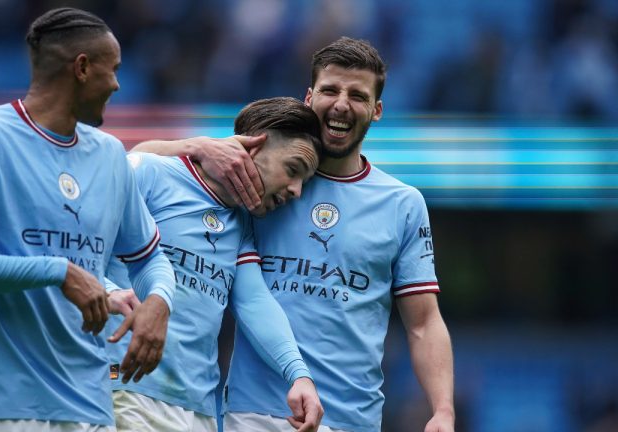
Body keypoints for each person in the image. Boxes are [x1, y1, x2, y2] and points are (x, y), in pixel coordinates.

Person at [133, 37, 455, 432]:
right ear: (309, 97)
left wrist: (442, 409)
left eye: (357, 95)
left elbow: (423, 322)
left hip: (352, 418)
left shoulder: (402, 203)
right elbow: (135, 167)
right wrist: (197, 145)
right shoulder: (258, 184)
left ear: (377, 110)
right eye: (330, 90)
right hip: (254, 412)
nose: (341, 104)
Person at [0, 8, 176, 432]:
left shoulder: (110, 155)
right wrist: (58, 272)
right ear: (82, 68)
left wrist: (159, 302)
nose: (117, 84)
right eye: (113, 71)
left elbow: (149, 258)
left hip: (91, 404)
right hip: (1, 402)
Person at [105, 97, 325, 432]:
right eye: (293, 170)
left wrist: (298, 375)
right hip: (125, 389)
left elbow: (254, 301)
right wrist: (109, 292)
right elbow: (84, 251)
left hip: (199, 409)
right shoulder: (151, 172)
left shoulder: (241, 224)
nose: (296, 190)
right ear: (255, 146)